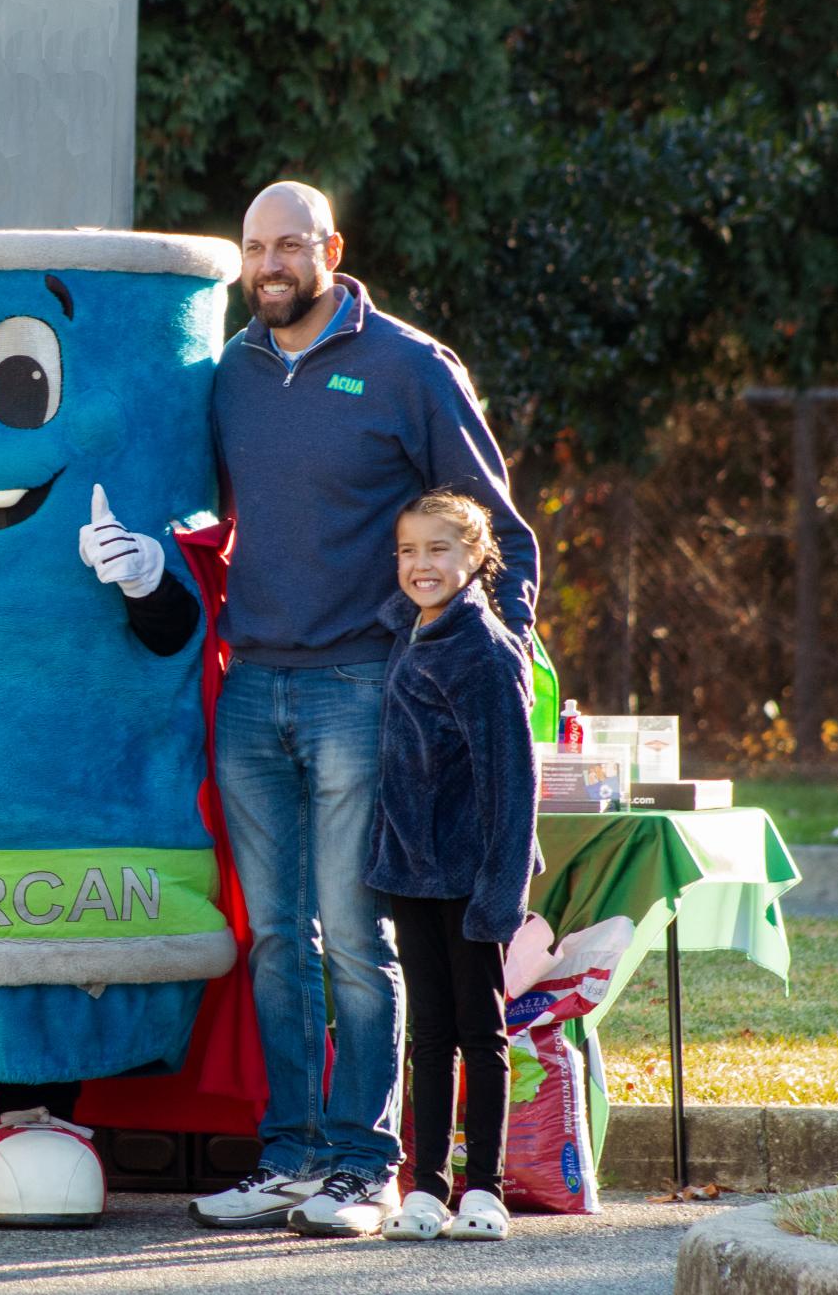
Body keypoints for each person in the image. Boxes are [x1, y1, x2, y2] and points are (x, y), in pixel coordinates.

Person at [190, 182, 539, 1238]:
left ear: (331, 249)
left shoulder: (410, 366)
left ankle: (368, 1165)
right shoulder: (232, 375)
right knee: (274, 940)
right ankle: (292, 1154)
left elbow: (500, 534)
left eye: (290, 243)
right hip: (251, 683)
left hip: (362, 685)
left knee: (353, 933)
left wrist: (492, 665)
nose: (271, 264)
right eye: (256, 247)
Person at [372, 490, 538, 1242]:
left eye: (438, 549)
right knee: (428, 1033)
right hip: (412, 871)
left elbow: (512, 777)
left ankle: (484, 1190)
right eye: (407, 551)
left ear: (475, 557)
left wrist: (499, 890)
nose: (419, 565)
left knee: (481, 1031)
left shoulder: (485, 649)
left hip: (471, 876)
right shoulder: (415, 632)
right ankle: (426, 1187)